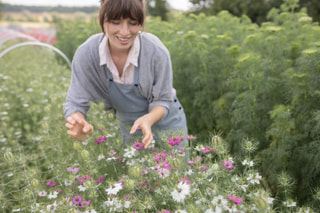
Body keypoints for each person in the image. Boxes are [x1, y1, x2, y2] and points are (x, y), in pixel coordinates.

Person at [63, 0, 188, 149]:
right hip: (131, 127)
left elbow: (163, 99)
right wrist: (78, 120)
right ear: (102, 20)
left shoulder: (155, 51)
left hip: (168, 125)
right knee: (137, 171)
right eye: (116, 22)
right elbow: (75, 101)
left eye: (133, 23)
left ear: (141, 23)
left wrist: (148, 119)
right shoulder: (87, 53)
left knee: (176, 170)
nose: (124, 32)